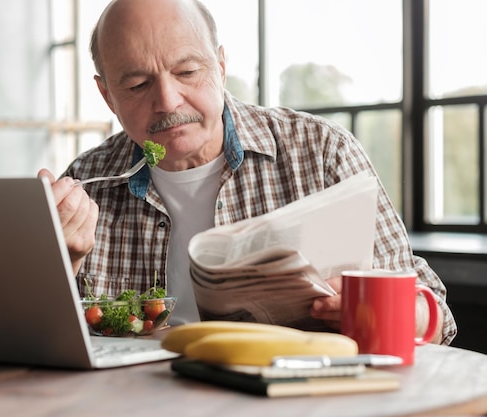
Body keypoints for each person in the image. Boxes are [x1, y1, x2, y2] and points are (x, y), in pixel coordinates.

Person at [38, 0, 457, 344]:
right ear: (107, 95)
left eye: (187, 72)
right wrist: (60, 264)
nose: (167, 100)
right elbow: (45, 343)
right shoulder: (87, 179)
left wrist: (401, 315)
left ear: (220, 67)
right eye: (136, 85)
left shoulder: (321, 152)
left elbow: (434, 314)